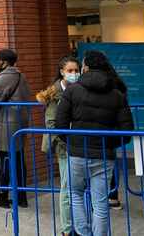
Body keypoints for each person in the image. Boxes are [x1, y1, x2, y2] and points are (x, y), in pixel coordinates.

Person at [55, 50, 134, 236]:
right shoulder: (117, 94)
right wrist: (108, 143)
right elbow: (127, 131)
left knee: (75, 195)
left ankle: (83, 233)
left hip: (77, 152)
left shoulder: (73, 91)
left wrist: (73, 141)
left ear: (86, 67)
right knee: (100, 203)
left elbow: (60, 124)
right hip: (104, 155)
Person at [35, 56, 81, 236]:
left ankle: (77, 226)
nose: (74, 74)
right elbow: (52, 123)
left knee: (75, 187)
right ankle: (67, 229)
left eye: (76, 70)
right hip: (64, 145)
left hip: (76, 145)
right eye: (70, 71)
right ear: (62, 72)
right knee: (68, 187)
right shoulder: (55, 93)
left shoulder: (78, 89)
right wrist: (65, 140)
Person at [0, 48, 33, 209]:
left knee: (5, 160)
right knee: (19, 160)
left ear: (4, 62)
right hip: (20, 123)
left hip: (6, 125)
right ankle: (21, 197)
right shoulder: (21, 76)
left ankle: (3, 196)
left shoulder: (4, 77)